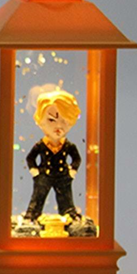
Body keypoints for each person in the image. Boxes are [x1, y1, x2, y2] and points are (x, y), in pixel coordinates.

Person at [23, 89, 82, 223]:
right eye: (51, 120)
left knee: (66, 198)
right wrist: (35, 171)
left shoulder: (68, 145)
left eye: (64, 121)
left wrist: (72, 171)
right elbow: (30, 158)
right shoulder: (41, 145)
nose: (58, 126)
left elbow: (76, 158)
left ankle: (69, 216)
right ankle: (31, 216)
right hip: (44, 175)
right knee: (38, 197)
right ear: (41, 121)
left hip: (63, 176)